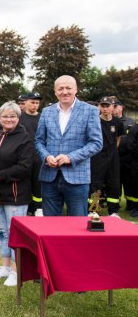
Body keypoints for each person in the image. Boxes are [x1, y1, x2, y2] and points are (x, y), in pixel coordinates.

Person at [0, 101, 33, 287]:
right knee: (2, 232)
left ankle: (16, 270)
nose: (8, 119)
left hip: (15, 195)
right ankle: (5, 267)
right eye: (5, 116)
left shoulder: (25, 138)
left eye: (12, 116)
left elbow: (25, 167)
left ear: (18, 118)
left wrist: (0, 176)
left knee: (15, 234)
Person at [35, 75, 102, 217]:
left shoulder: (90, 111)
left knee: (77, 226)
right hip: (49, 176)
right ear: (55, 92)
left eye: (68, 88)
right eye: (60, 89)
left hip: (77, 177)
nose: (64, 92)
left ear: (76, 89)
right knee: (50, 225)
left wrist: (70, 158)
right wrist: (46, 156)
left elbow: (96, 143)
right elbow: (39, 141)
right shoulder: (47, 112)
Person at [89, 96, 124, 217]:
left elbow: (118, 139)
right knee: (95, 183)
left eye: (107, 106)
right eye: (102, 106)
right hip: (97, 157)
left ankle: (113, 211)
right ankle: (94, 210)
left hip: (113, 157)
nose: (105, 109)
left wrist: (112, 152)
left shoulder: (118, 122)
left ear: (113, 107)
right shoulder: (94, 121)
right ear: (99, 107)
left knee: (113, 183)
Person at [19, 92, 43, 216]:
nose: (35, 105)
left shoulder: (43, 117)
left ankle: (38, 207)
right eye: (32, 102)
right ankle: (27, 207)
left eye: (37, 103)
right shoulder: (19, 118)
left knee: (38, 183)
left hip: (39, 156)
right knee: (25, 182)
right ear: (26, 102)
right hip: (24, 156)